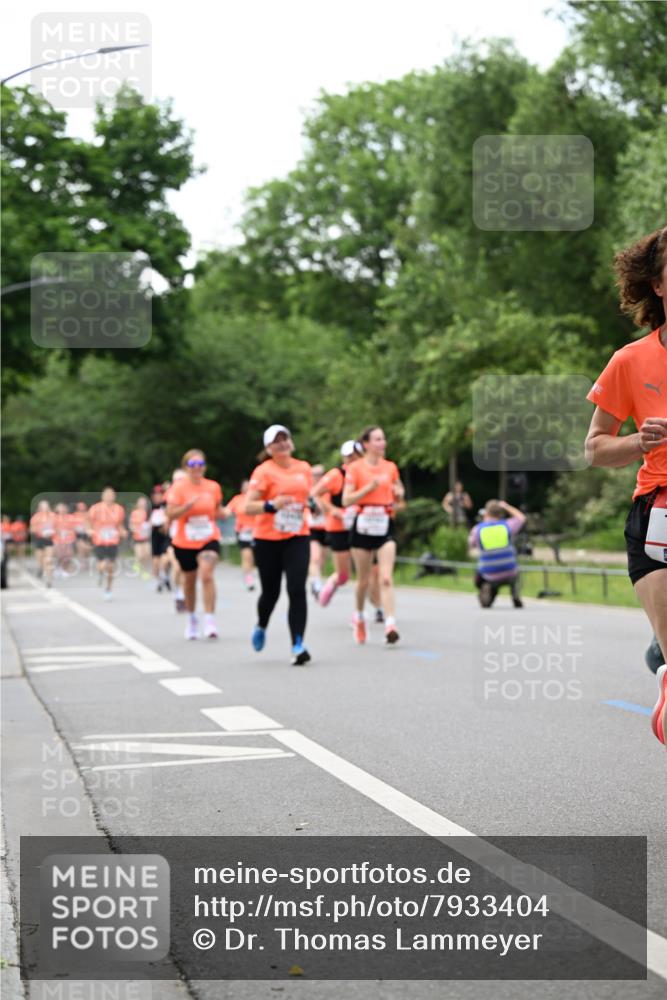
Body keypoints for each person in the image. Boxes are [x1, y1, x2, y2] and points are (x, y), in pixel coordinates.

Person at [584, 224, 667, 745]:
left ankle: (660, 657)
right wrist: (640, 442)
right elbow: (594, 449)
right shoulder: (630, 361)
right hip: (658, 515)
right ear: (659, 286)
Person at [245, 425, 313, 665]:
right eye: (277, 441)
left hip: (297, 535)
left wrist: (311, 504)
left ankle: (298, 643)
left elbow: (308, 496)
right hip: (267, 539)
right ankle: (262, 624)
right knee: (271, 593)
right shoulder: (263, 472)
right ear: (269, 448)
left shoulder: (303, 468)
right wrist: (271, 505)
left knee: (296, 589)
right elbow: (247, 506)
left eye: (285, 438)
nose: (283, 443)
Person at [343, 426, 405, 645]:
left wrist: (399, 494)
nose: (382, 443)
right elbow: (346, 500)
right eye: (377, 439)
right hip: (362, 525)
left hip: (384, 523)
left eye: (383, 439)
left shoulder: (390, 468)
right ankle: (359, 616)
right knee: (363, 581)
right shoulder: (355, 468)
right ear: (366, 444)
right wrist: (368, 488)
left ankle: (390, 624)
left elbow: (399, 492)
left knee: (386, 577)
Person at [166, 450, 225, 640]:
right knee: (189, 581)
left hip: (208, 537)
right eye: (192, 464)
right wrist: (186, 507)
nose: (197, 468)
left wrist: (226, 512)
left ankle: (209, 619)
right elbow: (170, 514)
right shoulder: (178, 488)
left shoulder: (213, 487)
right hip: (185, 540)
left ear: (205, 467)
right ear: (186, 467)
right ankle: (192, 618)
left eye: (200, 464)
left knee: (206, 573)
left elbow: (217, 511)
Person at [312, 440, 363, 608]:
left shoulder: (366, 473)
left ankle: (365, 612)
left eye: (356, 455)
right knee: (343, 575)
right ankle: (329, 585)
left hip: (362, 527)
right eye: (349, 456)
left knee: (368, 573)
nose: (352, 459)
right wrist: (333, 510)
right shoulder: (336, 475)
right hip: (338, 527)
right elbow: (315, 493)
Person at [468, 500, 525, 608]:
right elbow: (521, 518)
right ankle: (515, 592)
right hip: (510, 570)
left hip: (488, 573)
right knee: (516, 572)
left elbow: (471, 545)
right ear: (500, 513)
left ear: (486, 513)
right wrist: (507, 506)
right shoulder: (507, 526)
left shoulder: (478, 529)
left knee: (479, 571)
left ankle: (487, 588)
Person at [87, 488, 127, 600]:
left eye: (112, 495)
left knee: (110, 567)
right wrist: (89, 530)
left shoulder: (119, 509)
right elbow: (87, 521)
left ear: (114, 497)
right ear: (102, 496)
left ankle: (108, 589)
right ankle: (100, 574)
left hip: (113, 541)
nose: (109, 497)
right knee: (102, 565)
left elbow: (120, 525)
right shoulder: (95, 508)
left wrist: (122, 531)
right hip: (99, 540)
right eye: (107, 495)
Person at [224, 480, 257, 591]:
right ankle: (249, 580)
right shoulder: (237, 499)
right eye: (245, 487)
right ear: (242, 488)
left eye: (249, 487)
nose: (247, 489)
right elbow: (227, 511)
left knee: (253, 557)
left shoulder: (256, 498)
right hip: (243, 531)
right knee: (246, 555)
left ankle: (251, 574)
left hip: (256, 531)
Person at [164, 469, 187, 611]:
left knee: (186, 570)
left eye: (181, 480)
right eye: (176, 480)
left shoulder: (191, 495)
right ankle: (178, 593)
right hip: (173, 538)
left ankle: (182, 593)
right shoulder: (170, 496)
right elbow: (166, 515)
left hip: (189, 539)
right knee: (177, 566)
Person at [308, 464, 329, 598]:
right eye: (315, 474)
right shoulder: (307, 490)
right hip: (312, 528)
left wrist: (319, 502)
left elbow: (327, 509)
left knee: (322, 559)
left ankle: (316, 578)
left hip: (326, 528)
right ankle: (316, 583)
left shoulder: (327, 491)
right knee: (314, 557)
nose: (318, 477)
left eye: (320, 474)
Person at [149, 484, 171, 591]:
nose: (157, 497)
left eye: (160, 494)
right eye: (155, 495)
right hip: (155, 536)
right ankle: (161, 579)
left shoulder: (166, 505)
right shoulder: (150, 507)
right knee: (155, 563)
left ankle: (165, 576)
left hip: (166, 535)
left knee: (165, 559)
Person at [29, 500, 56, 586]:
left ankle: (49, 578)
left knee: (48, 559)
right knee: (40, 558)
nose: (45, 508)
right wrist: (41, 531)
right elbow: (31, 529)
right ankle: (40, 568)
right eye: (43, 507)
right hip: (39, 539)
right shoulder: (36, 517)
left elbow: (58, 526)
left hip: (49, 539)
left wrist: (52, 532)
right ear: (39, 508)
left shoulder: (53, 516)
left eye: (46, 506)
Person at [129, 496, 151, 579]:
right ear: (137, 504)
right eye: (141, 503)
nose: (142, 504)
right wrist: (134, 529)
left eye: (144, 503)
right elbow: (131, 524)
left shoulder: (148, 513)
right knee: (140, 555)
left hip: (146, 537)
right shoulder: (134, 513)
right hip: (137, 538)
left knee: (147, 555)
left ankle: (144, 570)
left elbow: (151, 522)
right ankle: (137, 564)